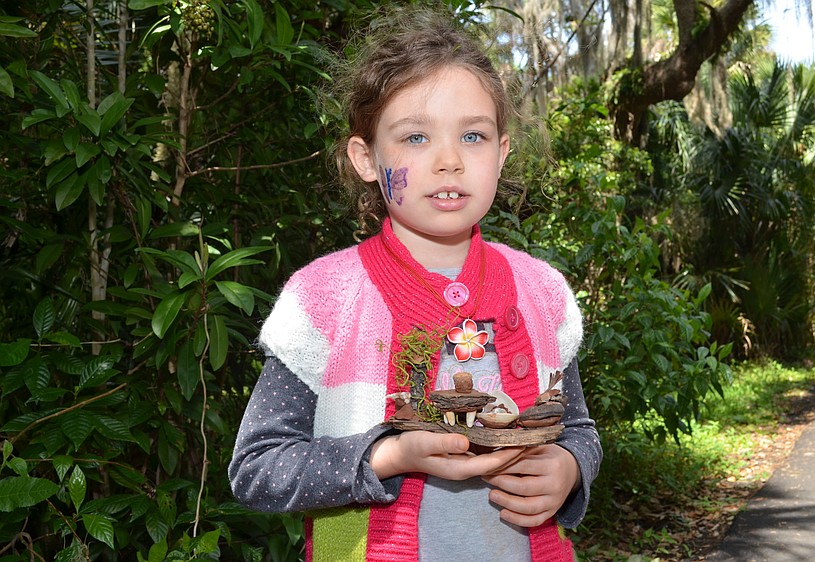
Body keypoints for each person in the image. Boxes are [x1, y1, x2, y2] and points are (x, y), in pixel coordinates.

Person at [229, 7, 602, 562]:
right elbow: (258, 468)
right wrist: (387, 457)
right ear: (366, 158)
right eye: (416, 136)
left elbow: (577, 428)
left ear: (501, 153)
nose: (449, 160)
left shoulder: (541, 292)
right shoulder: (323, 301)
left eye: (472, 135)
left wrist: (570, 469)